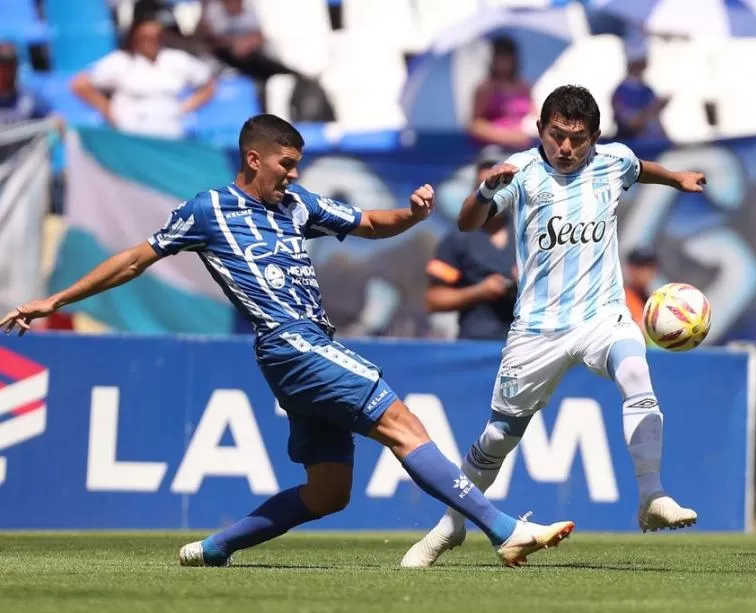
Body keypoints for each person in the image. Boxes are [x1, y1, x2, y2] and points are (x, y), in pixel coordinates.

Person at [0, 114, 574, 568]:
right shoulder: (211, 209)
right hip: (290, 344)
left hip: (304, 352)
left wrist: (412, 213)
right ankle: (503, 530)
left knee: (328, 493)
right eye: (287, 164)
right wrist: (54, 300)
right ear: (255, 159)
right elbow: (133, 261)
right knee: (405, 425)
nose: (295, 174)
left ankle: (216, 547)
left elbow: (370, 224)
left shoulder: (295, 206)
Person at [401, 85, 706, 568]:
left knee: (635, 369)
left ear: (595, 137)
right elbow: (466, 223)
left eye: (577, 139)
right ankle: (449, 526)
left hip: (601, 317)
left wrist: (677, 178)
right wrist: (484, 191)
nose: (565, 149)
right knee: (500, 434)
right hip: (538, 330)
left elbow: (641, 168)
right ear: (541, 130)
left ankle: (652, 494)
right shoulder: (521, 171)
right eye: (556, 136)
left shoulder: (614, 162)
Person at [71, 17, 215, 139]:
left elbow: (207, 82)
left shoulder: (176, 59)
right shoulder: (120, 61)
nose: (150, 42)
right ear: (134, 38)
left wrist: (186, 107)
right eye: (144, 37)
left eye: (155, 37)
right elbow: (81, 84)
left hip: (171, 135)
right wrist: (109, 111)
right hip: (133, 135)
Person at [425, 150, 516, 340]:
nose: (494, 195)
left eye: (501, 187)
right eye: (487, 187)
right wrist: (479, 292)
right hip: (476, 347)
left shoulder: (531, 233)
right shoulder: (458, 239)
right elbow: (434, 300)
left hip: (529, 347)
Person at [468, 36, 536, 150]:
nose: (504, 62)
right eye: (500, 57)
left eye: (507, 57)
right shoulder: (486, 87)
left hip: (523, 147)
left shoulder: (524, 86)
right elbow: (475, 125)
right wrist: (507, 137)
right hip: (494, 148)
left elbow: (535, 116)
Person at [611, 43, 668, 141]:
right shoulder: (621, 93)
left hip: (653, 144)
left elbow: (657, 122)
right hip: (634, 146)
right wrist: (653, 109)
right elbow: (631, 124)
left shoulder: (647, 90)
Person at [0, 41, 53, 126]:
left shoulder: (29, 99)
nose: (8, 71)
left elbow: (55, 119)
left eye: (12, 64)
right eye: (3, 65)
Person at [622, 247, 660, 340]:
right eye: (641, 265)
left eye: (650, 266)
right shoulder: (621, 297)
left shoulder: (654, 298)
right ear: (630, 268)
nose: (646, 271)